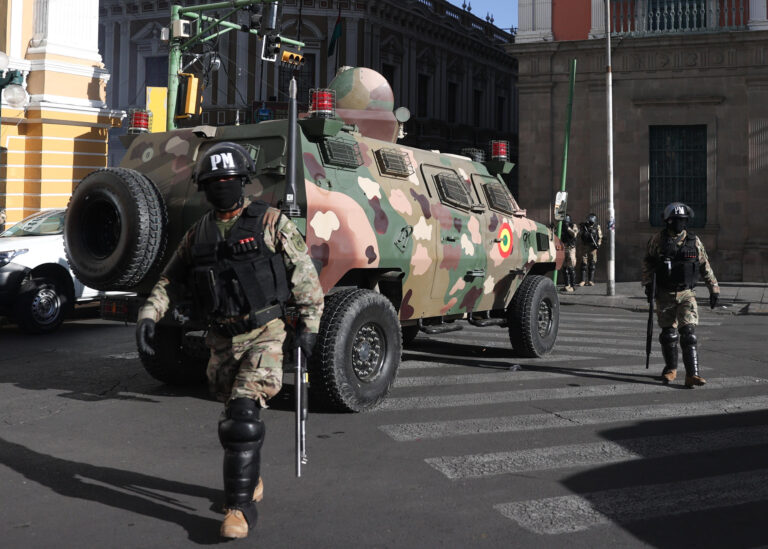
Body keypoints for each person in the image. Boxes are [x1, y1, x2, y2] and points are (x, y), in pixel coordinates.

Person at [135, 142, 324, 539]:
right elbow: (171, 279)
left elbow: (303, 275)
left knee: (242, 419)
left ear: (242, 182)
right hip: (221, 338)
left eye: (228, 180)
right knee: (231, 421)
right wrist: (150, 315)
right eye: (214, 182)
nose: (222, 187)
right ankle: (249, 478)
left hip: (265, 333)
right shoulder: (198, 234)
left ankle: (239, 509)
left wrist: (308, 328)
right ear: (204, 187)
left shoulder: (271, 222)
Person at [641, 202, 719, 388]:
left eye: (682, 220)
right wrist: (648, 284)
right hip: (664, 293)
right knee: (669, 334)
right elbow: (647, 262)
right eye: (676, 221)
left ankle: (693, 374)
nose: (679, 224)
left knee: (688, 333)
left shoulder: (694, 241)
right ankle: (671, 369)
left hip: (686, 293)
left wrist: (713, 288)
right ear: (668, 221)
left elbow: (704, 265)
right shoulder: (657, 240)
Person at [578, 213, 602, 286]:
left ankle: (590, 280)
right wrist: (583, 231)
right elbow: (579, 235)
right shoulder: (584, 226)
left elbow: (600, 236)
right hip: (584, 246)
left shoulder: (597, 227)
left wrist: (598, 244)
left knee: (592, 264)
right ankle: (583, 280)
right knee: (583, 264)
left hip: (593, 248)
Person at [559, 214, 579, 292]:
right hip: (563, 248)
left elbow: (574, 234)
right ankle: (567, 285)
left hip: (570, 248)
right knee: (564, 268)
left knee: (571, 267)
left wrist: (568, 228)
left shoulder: (573, 225)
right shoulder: (561, 226)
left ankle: (573, 286)